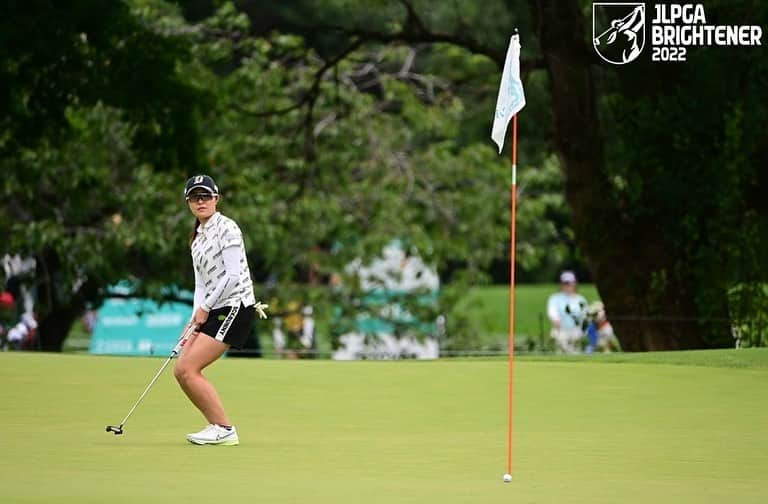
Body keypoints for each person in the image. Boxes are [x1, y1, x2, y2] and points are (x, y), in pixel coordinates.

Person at [174, 174, 268, 446]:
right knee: (181, 370)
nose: (200, 201)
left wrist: (204, 309)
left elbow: (233, 277)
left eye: (206, 196)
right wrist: (194, 319)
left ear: (217, 199)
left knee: (190, 367)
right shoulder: (197, 238)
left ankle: (224, 428)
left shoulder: (227, 228)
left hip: (235, 307)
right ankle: (216, 426)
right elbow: (201, 284)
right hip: (215, 308)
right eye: (195, 197)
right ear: (188, 203)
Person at [546, 270, 588, 353]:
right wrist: (555, 319)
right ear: (561, 284)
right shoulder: (555, 298)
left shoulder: (580, 299)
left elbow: (585, 314)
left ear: (575, 283)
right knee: (561, 351)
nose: (568, 286)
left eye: (570, 283)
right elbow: (552, 311)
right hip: (561, 330)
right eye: (566, 283)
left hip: (576, 331)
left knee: (576, 353)